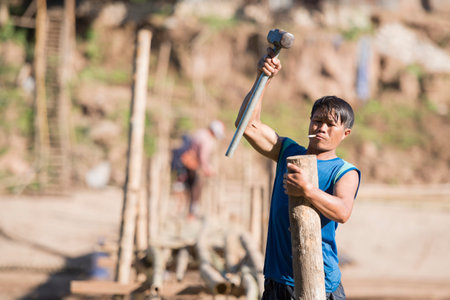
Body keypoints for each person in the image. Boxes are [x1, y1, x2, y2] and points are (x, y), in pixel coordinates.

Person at [235, 48, 361, 299]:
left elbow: (343, 212)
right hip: (276, 278)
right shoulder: (288, 152)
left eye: (330, 124)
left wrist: (308, 191)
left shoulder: (344, 171)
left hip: (319, 282)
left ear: (345, 133)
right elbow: (247, 126)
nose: (321, 128)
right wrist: (263, 78)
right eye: (317, 121)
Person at [171, 120, 225, 219]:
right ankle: (191, 213)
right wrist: (208, 169)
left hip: (183, 163)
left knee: (184, 187)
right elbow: (203, 157)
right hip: (190, 164)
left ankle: (180, 211)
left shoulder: (199, 133)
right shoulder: (207, 140)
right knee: (196, 188)